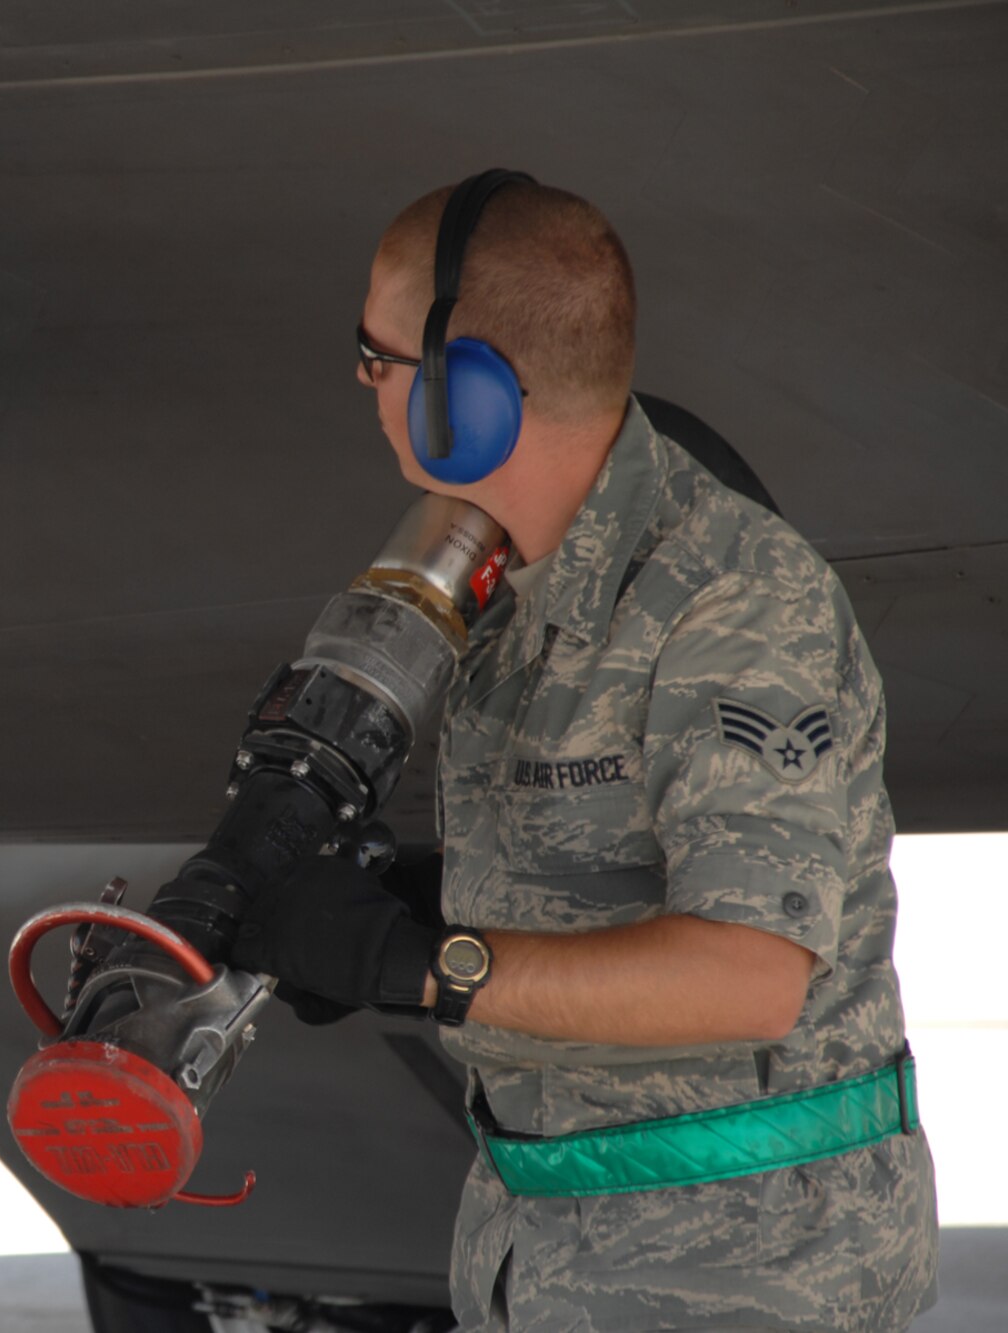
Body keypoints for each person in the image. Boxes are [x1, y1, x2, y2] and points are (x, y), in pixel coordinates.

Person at [232, 172, 937, 1330]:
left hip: (745, 1272)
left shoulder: (732, 601)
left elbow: (747, 975)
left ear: (465, 391)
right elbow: (602, 859)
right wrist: (397, 914)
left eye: (376, 357)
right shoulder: (511, 585)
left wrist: (420, 967)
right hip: (551, 1256)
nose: (363, 385)